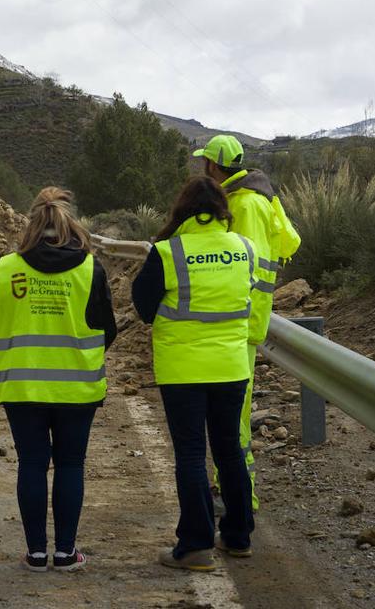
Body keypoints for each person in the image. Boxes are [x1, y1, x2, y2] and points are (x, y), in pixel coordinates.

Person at [0, 187, 118, 573]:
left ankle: (36, 553)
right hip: (77, 386)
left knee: (31, 463)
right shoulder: (90, 268)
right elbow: (107, 328)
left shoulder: (7, 267)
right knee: (71, 463)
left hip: (21, 386)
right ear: (69, 222)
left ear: (31, 221)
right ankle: (66, 553)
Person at [132, 176, 256, 570]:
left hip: (182, 368)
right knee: (229, 450)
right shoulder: (244, 248)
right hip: (232, 365)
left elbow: (144, 308)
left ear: (182, 209)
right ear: (222, 209)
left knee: (190, 452)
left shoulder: (168, 253)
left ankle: (196, 545)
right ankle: (237, 537)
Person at [195, 134, 301, 511]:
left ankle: (244, 496)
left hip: (241, 323)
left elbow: (247, 268)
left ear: (212, 165)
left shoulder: (246, 204)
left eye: (202, 163)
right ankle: (231, 487)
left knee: (234, 419)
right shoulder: (250, 197)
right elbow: (288, 244)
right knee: (229, 415)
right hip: (242, 321)